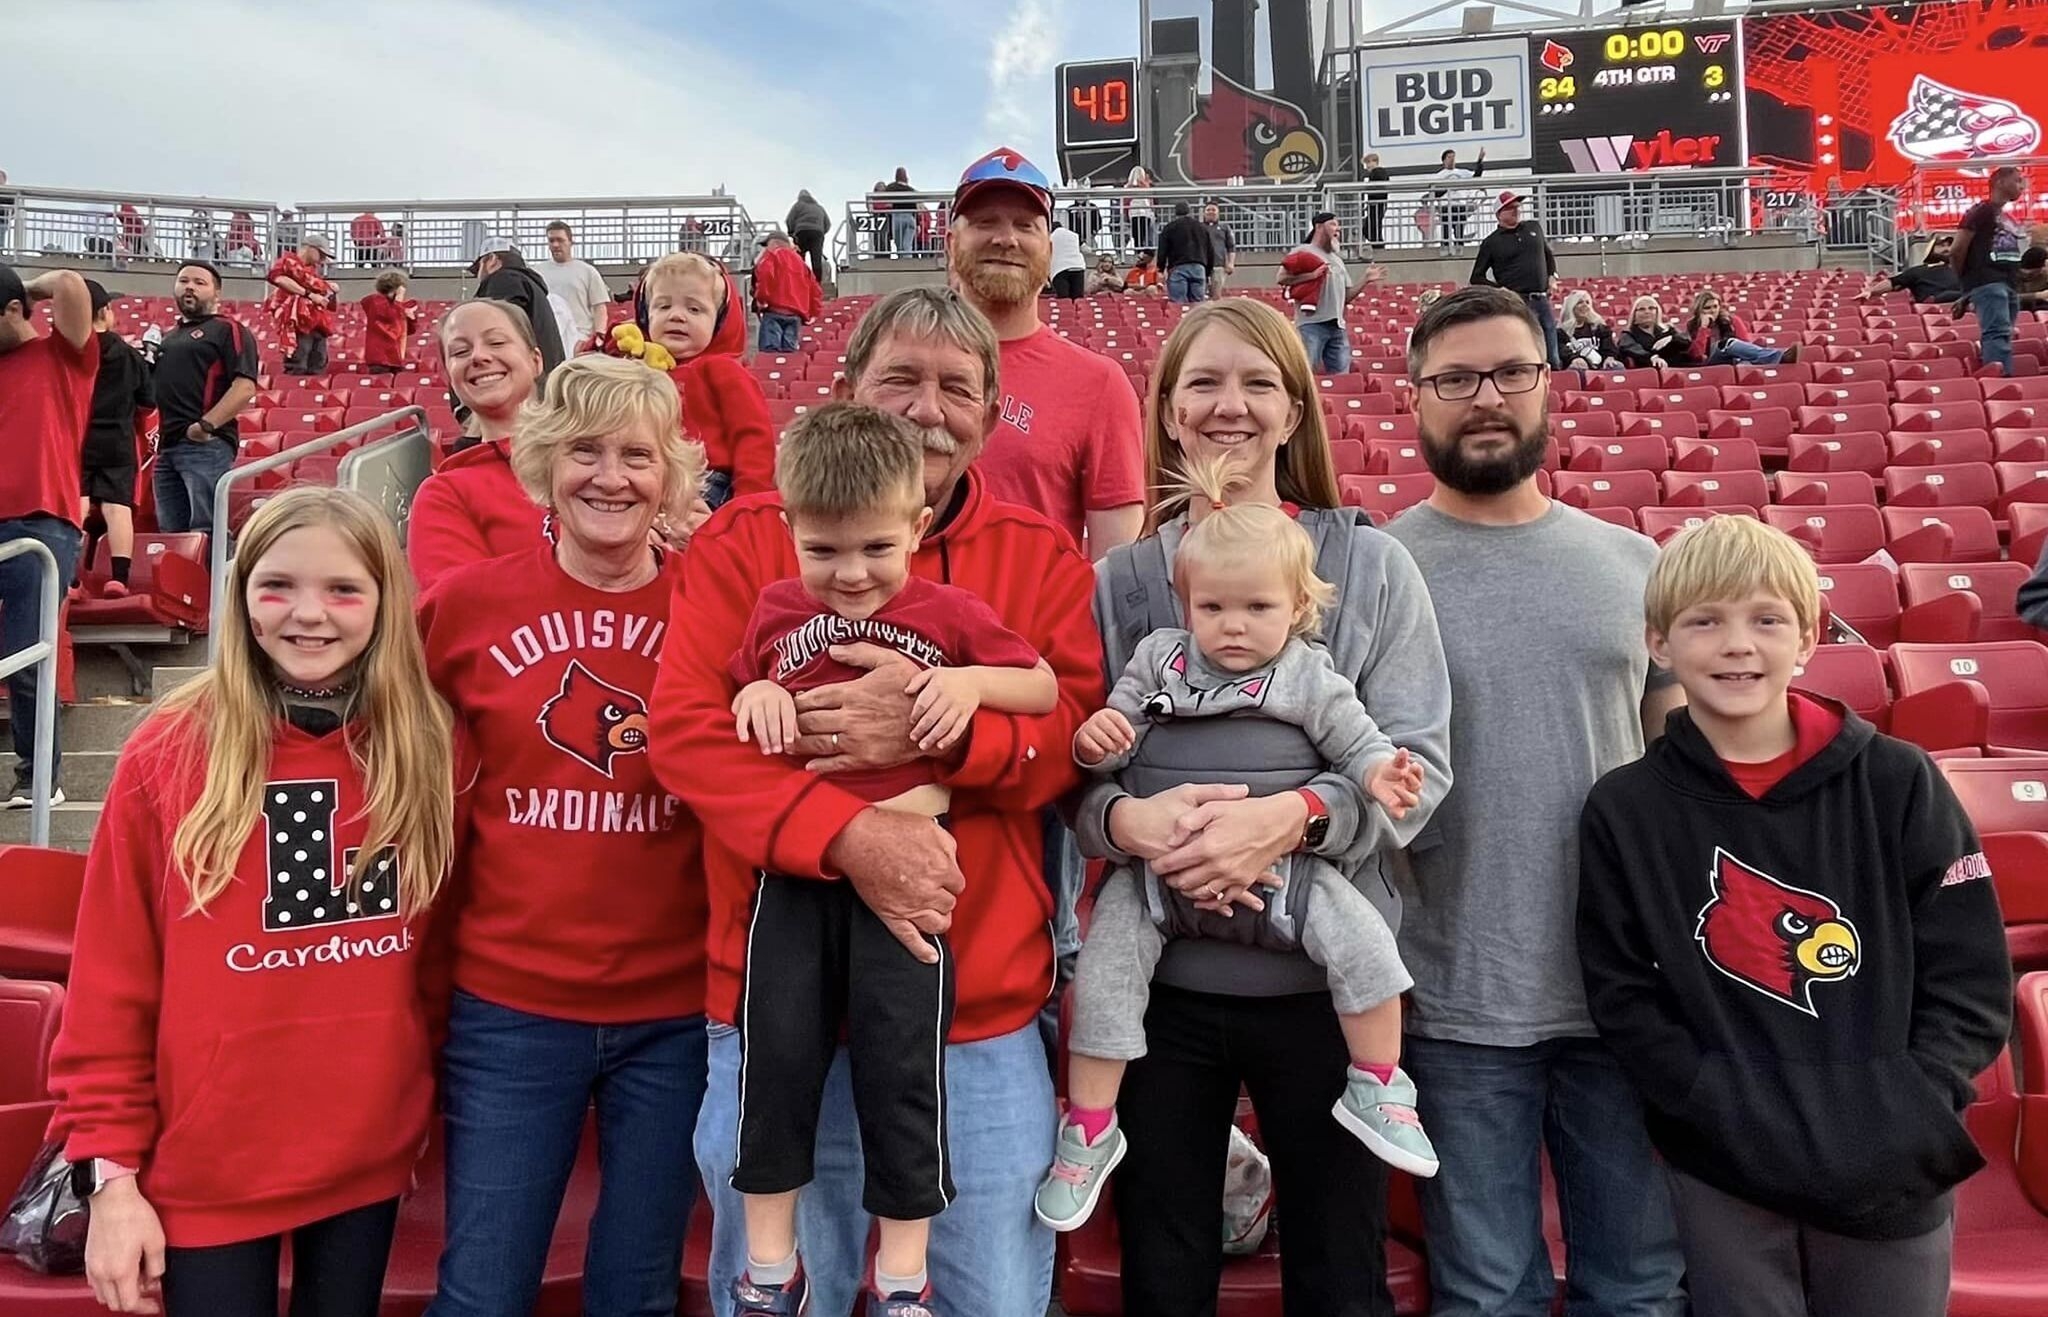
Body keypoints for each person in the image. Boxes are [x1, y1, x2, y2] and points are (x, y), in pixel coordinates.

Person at [649, 286, 1104, 1317]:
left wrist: (944, 735)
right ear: (848, 387)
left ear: (989, 415)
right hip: (773, 1001)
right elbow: (688, 735)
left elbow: (1070, 732)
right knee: (781, 1292)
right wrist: (849, 836)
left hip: (973, 1011)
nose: (926, 408)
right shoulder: (748, 538)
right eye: (900, 377)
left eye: (956, 388)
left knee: (985, 1298)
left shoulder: (1036, 553)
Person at [1068, 297, 1451, 1312]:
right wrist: (1127, 825)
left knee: (1339, 1271)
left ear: (1293, 410)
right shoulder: (1122, 582)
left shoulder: (1370, 564)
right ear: (1167, 411)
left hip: (1320, 986)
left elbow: (1415, 766)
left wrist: (1293, 819)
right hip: (1163, 982)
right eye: (1201, 382)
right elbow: (1077, 771)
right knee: (1164, 1265)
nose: (1227, 405)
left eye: (1256, 384)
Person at [1578, 515, 2012, 1317]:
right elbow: (1622, 990)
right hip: (1724, 1161)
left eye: (1767, 619)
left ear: (1809, 638)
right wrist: (1708, 1097)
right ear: (1658, 643)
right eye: (1705, 621)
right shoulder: (1625, 808)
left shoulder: (1899, 780)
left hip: (1890, 1158)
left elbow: (1971, 976)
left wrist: (1913, 1098)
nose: (1737, 645)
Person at [49, 485, 458, 1317]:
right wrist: (112, 1176)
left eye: (343, 589)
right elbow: (110, 987)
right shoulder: (169, 751)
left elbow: (440, 964)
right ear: (240, 597)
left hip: (366, 1160)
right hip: (208, 1174)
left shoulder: (431, 748)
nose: (309, 613)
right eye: (277, 586)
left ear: (387, 601)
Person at [1382, 285, 1688, 1317]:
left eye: (1511, 371)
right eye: (1455, 378)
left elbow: (1679, 769)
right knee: (1485, 1295)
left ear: (1547, 385)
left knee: (1638, 1289)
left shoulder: (1632, 565)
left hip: (1621, 990)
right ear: (1414, 398)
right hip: (1451, 994)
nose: (1486, 397)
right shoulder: (1376, 572)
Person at [724, 405, 1060, 1316]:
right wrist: (755, 693)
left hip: (910, 883)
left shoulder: (949, 613)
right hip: (798, 875)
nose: (851, 574)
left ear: (916, 526)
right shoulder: (775, 608)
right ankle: (769, 1269)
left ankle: (903, 1276)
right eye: (824, 550)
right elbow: (736, 687)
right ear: (790, 527)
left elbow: (1040, 685)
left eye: (876, 547)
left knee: (902, 1067)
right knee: (775, 1059)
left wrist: (965, 682)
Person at [418, 356, 709, 1317]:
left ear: (670, 475)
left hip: (675, 1014)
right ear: (544, 462)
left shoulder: (717, 611)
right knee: (482, 1290)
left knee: (637, 1291)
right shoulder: (463, 608)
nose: (610, 477)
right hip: (511, 1006)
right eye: (585, 451)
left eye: (637, 455)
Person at [945, 148, 1144, 558]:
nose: (1006, 239)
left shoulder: (1099, 384)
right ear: (951, 244)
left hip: (1036, 601)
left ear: (1050, 252)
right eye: (985, 222)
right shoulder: (901, 368)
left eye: (1025, 225)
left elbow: (1116, 570)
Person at [0, 263, 94, 810]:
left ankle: (39, 777)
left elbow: (71, 286)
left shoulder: (61, 356)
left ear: (14, 310)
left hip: (41, 523)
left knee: (27, 654)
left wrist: (22, 286)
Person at [406, 300, 547, 592]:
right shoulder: (445, 493)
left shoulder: (595, 460)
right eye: (460, 352)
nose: (479, 356)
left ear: (536, 361)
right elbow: (458, 601)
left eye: (496, 342)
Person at [641, 250, 776, 509]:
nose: (677, 316)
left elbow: (753, 437)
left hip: (706, 481)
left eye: (694, 309)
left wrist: (749, 500)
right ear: (647, 315)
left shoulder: (724, 370)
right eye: (663, 306)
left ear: (719, 321)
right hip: (647, 475)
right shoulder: (638, 370)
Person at [147, 260, 260, 536]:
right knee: (172, 536)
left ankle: (220, 568)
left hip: (204, 445)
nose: (190, 287)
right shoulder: (168, 338)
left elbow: (245, 386)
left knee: (208, 531)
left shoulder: (227, 329)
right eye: (184, 281)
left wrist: (205, 426)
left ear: (216, 292)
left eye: (199, 283)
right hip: (167, 448)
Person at [77, 280, 153, 599]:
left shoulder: (69, 352)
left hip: (77, 438)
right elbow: (148, 402)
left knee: (78, 503)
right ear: (104, 311)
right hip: (118, 440)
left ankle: (70, 579)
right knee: (117, 506)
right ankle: (118, 579)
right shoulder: (129, 355)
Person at [1279, 210, 1383, 375]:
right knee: (1306, 375)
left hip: (1337, 327)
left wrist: (1365, 279)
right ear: (1319, 227)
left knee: (1341, 378)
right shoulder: (1302, 251)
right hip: (1311, 325)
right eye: (1333, 224)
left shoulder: (1337, 260)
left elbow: (1346, 297)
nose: (1338, 229)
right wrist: (1311, 276)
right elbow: (1282, 278)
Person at [1952, 165, 2028, 376]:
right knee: (1997, 334)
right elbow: (1957, 250)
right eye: (2017, 180)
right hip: (1988, 282)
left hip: (2008, 283)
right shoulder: (1981, 211)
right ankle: (1998, 381)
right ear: (2000, 182)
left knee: (2004, 334)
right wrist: (1967, 284)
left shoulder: (2006, 217)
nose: (2022, 186)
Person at [1471, 192, 1560, 368]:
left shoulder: (1534, 227)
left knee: (1551, 352)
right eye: (1510, 208)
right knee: (1525, 348)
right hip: (1516, 300)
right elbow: (1477, 277)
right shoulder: (1491, 242)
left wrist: (1552, 276)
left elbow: (1548, 254)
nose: (1516, 210)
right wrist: (1499, 289)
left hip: (1541, 298)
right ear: (1499, 214)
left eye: (1517, 207)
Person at [471, 237, 567, 375]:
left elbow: (497, 330)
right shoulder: (529, 284)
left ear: (492, 260)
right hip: (544, 373)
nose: (478, 276)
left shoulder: (503, 280)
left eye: (479, 267)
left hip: (525, 376)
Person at [267, 233, 337, 376]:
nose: (322, 260)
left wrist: (329, 290)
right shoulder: (287, 263)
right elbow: (279, 279)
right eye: (321, 254)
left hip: (317, 322)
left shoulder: (313, 274)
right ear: (311, 248)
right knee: (298, 362)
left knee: (318, 362)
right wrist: (309, 294)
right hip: (298, 321)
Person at [540, 221, 613, 352]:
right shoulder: (537, 272)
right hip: (548, 338)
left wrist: (599, 336)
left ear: (570, 242)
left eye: (560, 240)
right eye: (551, 241)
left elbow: (599, 307)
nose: (555, 245)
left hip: (580, 338)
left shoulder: (588, 271)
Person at [751, 231, 823, 354]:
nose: (765, 248)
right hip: (795, 316)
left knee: (770, 356)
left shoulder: (771, 256)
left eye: (767, 245)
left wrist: (762, 300)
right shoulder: (802, 263)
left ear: (773, 243)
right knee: (789, 357)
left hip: (773, 312)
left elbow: (765, 276)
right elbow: (815, 290)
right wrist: (814, 313)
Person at [1687, 288, 1797, 367]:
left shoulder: (1732, 320)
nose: (1712, 311)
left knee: (1744, 365)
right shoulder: (1692, 325)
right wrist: (1703, 328)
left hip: (1735, 359)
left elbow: (1745, 344)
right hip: (1710, 361)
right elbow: (1696, 355)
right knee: (1728, 343)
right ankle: (1781, 356)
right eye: (1707, 308)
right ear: (1699, 310)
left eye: (1715, 306)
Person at [1860, 236, 1961, 303]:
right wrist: (1871, 291)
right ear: (1930, 250)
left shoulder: (1963, 270)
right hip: (1933, 304)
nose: (1947, 249)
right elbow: (1892, 282)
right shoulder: (1917, 271)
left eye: (1950, 246)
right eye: (1942, 245)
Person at [1616, 295, 1700, 370]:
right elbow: (1631, 348)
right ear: (1634, 314)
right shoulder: (1628, 334)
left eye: (1651, 308)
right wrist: (1652, 357)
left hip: (1680, 366)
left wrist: (1671, 338)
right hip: (1651, 369)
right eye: (1642, 309)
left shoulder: (1668, 329)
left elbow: (1687, 341)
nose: (1647, 311)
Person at [359, 270, 419, 374]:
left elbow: (407, 330)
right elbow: (388, 316)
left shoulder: (397, 306)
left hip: (396, 356)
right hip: (380, 357)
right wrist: (399, 301)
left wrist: (411, 318)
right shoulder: (376, 302)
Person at [1427, 147, 1486, 251]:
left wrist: (1480, 160)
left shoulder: (1462, 172)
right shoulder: (1439, 176)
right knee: (1446, 228)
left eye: (1453, 157)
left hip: (1460, 204)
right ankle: (1445, 247)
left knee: (1459, 228)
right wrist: (1447, 188)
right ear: (1444, 160)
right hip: (1446, 205)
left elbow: (1476, 175)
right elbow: (1434, 193)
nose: (1452, 159)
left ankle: (1459, 247)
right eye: (1449, 157)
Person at [1156, 201, 1210, 304]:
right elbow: (1209, 250)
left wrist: (1160, 269)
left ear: (1175, 212)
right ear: (1189, 211)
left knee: (1179, 304)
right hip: (1199, 267)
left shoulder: (1169, 228)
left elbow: (1162, 250)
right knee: (1198, 304)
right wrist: (1208, 271)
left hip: (1178, 267)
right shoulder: (1202, 227)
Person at [1556, 291, 1622, 372]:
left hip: (1601, 366)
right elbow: (1562, 351)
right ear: (1571, 307)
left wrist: (1609, 358)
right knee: (1576, 369)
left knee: (1617, 366)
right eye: (1580, 302)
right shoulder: (1561, 332)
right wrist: (1574, 358)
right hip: (1578, 366)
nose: (1585, 305)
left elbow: (1609, 348)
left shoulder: (1600, 328)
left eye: (1587, 302)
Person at [786, 189, 832, 284]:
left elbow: (789, 220)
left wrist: (791, 233)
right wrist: (821, 232)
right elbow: (828, 224)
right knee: (816, 258)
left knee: (799, 257)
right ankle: (817, 282)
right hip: (817, 233)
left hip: (801, 232)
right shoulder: (819, 207)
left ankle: (800, 280)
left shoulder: (798, 205)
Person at [1201, 202, 1235, 298]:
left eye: (1213, 210)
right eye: (1208, 210)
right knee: (1201, 295)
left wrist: (1231, 263)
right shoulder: (1199, 227)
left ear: (1218, 212)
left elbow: (1231, 247)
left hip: (1218, 265)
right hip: (1202, 265)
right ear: (1204, 213)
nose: (1211, 212)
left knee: (1216, 295)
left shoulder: (1225, 228)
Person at [1049, 220, 1087, 299]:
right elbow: (1086, 249)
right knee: (1078, 297)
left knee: (1063, 298)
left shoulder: (1050, 237)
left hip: (1060, 269)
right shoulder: (1074, 235)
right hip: (1077, 267)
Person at [885, 167, 918, 257]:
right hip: (910, 217)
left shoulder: (891, 187)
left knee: (899, 245)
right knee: (907, 245)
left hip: (897, 216)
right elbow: (915, 208)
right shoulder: (911, 190)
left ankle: (902, 262)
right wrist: (918, 223)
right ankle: (907, 262)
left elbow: (885, 198)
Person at [1362, 152, 1391, 250]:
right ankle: (1377, 245)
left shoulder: (1377, 172)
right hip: (1377, 204)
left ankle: (1378, 246)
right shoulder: (1380, 173)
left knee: (1372, 227)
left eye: (1368, 163)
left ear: (1374, 162)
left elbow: (1378, 188)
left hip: (1376, 204)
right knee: (1372, 227)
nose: (1367, 166)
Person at [1124, 166, 1155, 257]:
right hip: (1140, 212)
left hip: (1139, 212)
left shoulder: (1136, 186)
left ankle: (1141, 252)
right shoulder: (1143, 186)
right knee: (1140, 234)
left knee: (1140, 234)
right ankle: (1141, 252)